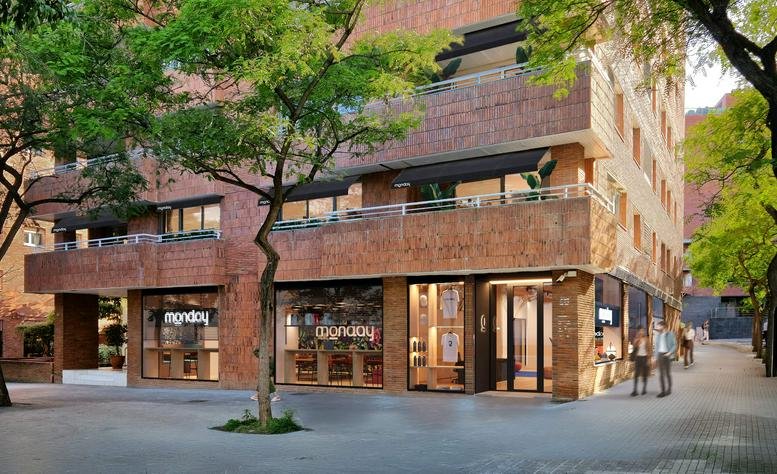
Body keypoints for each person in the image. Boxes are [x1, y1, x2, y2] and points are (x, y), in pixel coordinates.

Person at [653, 320, 676, 397]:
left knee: (667, 373)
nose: (658, 327)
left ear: (663, 326)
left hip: (668, 355)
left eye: (659, 326)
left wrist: (670, 353)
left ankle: (669, 389)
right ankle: (662, 391)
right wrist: (655, 357)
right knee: (661, 374)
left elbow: (674, 345)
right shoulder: (658, 335)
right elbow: (656, 347)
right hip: (660, 355)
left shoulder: (670, 334)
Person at [630, 327, 650, 396]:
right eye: (640, 331)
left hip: (644, 358)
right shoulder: (636, 339)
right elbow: (634, 349)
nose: (642, 332)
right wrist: (637, 341)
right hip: (638, 358)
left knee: (644, 374)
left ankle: (644, 389)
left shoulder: (646, 339)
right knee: (636, 374)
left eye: (643, 331)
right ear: (638, 331)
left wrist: (649, 360)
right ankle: (635, 390)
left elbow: (649, 349)